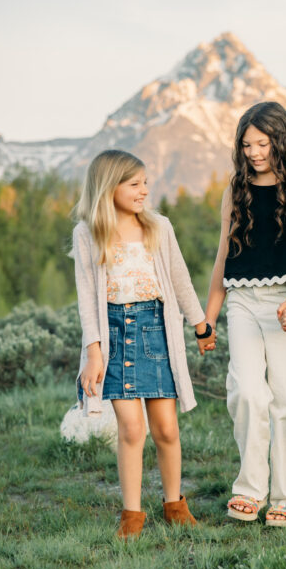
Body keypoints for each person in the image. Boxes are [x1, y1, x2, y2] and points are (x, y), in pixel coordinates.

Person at [72, 149, 215, 539]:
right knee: (132, 430)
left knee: (166, 428)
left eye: (145, 183)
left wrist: (200, 324)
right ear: (109, 187)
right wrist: (93, 352)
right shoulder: (87, 233)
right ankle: (132, 515)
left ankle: (175, 506)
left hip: (156, 333)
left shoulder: (158, 226)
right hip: (114, 337)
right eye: (134, 184)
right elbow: (87, 299)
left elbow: (180, 279)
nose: (144, 191)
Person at [205, 102, 286, 527]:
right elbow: (223, 256)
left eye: (262, 143)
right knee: (247, 392)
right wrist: (208, 318)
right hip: (242, 301)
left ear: (281, 140)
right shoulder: (236, 190)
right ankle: (250, 490)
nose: (254, 152)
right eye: (246, 145)